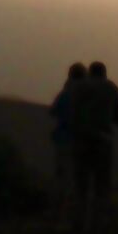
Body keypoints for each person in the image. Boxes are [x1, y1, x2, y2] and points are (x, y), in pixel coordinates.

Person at [70, 60, 118, 234]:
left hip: (81, 141)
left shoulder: (78, 88)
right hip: (103, 141)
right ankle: (98, 232)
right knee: (102, 190)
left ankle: (80, 233)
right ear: (104, 73)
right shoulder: (112, 89)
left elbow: (71, 113)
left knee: (81, 189)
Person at [47, 63, 87, 225]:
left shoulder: (65, 93)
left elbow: (53, 111)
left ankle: (60, 215)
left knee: (63, 177)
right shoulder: (85, 94)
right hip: (79, 141)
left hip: (63, 140)